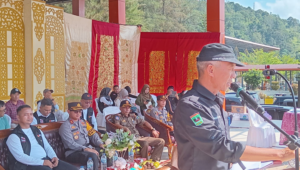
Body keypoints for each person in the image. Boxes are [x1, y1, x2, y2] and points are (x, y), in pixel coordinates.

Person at [173, 43, 297, 170]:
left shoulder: (215, 101)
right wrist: (280, 154)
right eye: (231, 69)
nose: (234, 76)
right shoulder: (191, 106)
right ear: (211, 70)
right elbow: (221, 147)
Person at [6, 105, 77, 170]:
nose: (29, 117)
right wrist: (42, 162)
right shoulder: (14, 136)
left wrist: (54, 157)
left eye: (31, 114)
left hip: (46, 160)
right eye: (26, 115)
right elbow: (20, 157)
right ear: (18, 117)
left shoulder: (37, 130)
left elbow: (47, 146)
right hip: (29, 165)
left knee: (73, 169)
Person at [59, 102, 110, 170]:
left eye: (80, 111)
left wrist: (100, 143)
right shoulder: (65, 126)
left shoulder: (84, 122)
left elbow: (93, 134)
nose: (78, 113)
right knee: (92, 156)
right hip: (73, 152)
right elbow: (70, 144)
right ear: (68, 111)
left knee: (107, 152)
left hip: (87, 148)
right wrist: (86, 149)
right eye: (75, 111)